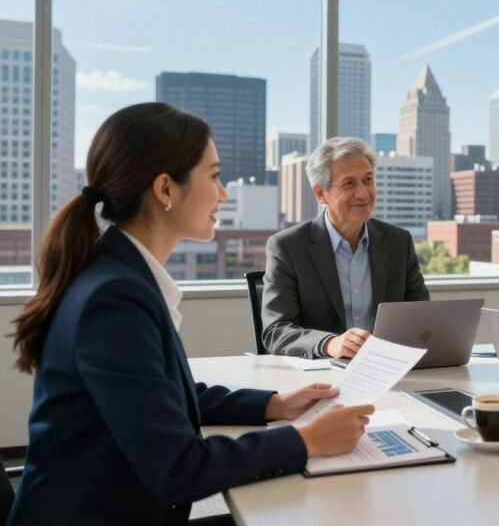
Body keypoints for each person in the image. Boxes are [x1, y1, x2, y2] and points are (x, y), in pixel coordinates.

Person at [6, 103, 374, 525]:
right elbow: (179, 468)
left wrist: (274, 404)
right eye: (215, 176)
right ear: (165, 189)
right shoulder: (115, 299)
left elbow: (163, 397)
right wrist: (306, 440)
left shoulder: (118, 276)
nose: (223, 193)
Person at [261, 137, 429, 359]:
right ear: (321, 194)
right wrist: (329, 344)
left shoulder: (399, 242)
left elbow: (422, 317)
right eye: (349, 183)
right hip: (321, 375)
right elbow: (276, 331)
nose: (363, 193)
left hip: (388, 368)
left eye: (368, 179)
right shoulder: (287, 247)